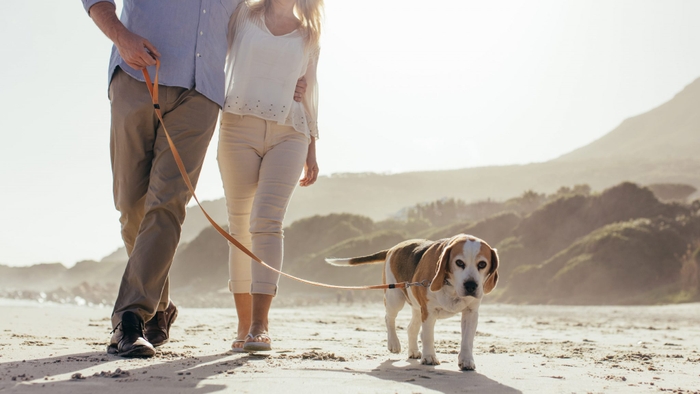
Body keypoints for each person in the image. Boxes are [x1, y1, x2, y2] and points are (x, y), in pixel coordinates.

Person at [82, 0, 306, 358]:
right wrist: (121, 36)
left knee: (168, 202)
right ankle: (159, 305)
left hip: (202, 95)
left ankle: (130, 318)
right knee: (130, 207)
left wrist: (290, 78)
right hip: (137, 77)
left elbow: (260, 32)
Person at [218, 0, 323, 352]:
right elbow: (212, 54)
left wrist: (312, 147)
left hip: (291, 130)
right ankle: (244, 324)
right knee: (241, 226)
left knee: (268, 221)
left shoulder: (310, 33)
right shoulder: (242, 16)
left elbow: (310, 90)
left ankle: (261, 326)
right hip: (237, 126)